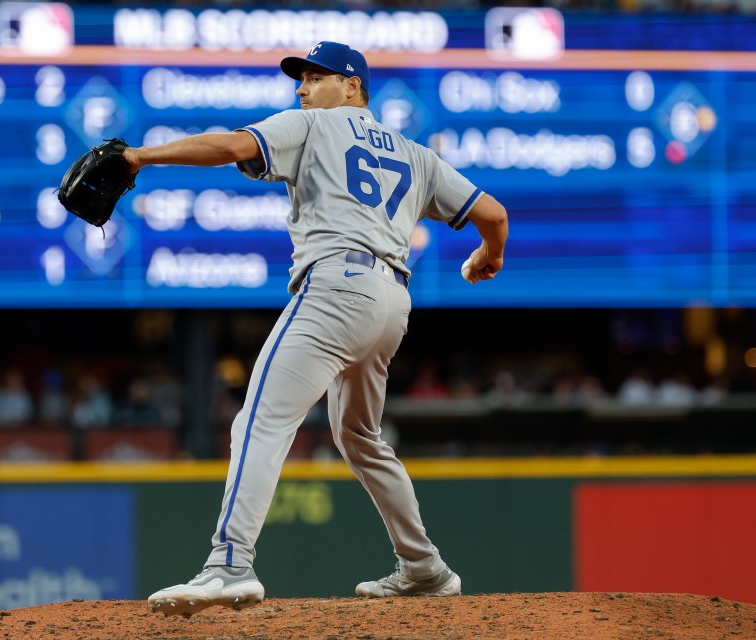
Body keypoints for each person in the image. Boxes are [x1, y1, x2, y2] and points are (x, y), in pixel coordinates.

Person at [123, 41, 509, 616]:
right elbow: (493, 214)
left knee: (261, 419)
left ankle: (229, 565)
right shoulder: (415, 155)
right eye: (300, 80)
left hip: (336, 288)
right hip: (391, 305)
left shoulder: (311, 125)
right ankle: (424, 568)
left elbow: (231, 146)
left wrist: (139, 156)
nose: (302, 89)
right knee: (361, 438)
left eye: (315, 77)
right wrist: (488, 256)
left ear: (352, 87)